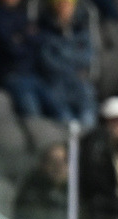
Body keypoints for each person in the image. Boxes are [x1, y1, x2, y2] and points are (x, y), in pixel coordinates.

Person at [0, 0, 63, 119]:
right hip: (10, 75)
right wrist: (27, 39)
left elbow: (39, 41)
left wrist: (23, 38)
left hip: (32, 74)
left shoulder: (21, 14)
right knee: (33, 115)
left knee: (61, 112)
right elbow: (11, 48)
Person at [37, 0, 97, 128]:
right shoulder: (44, 31)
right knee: (65, 123)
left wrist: (63, 54)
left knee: (88, 120)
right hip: (55, 87)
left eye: (68, 5)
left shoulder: (81, 30)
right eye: (61, 5)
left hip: (80, 86)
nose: (65, 9)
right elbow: (47, 61)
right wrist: (73, 59)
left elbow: (88, 57)